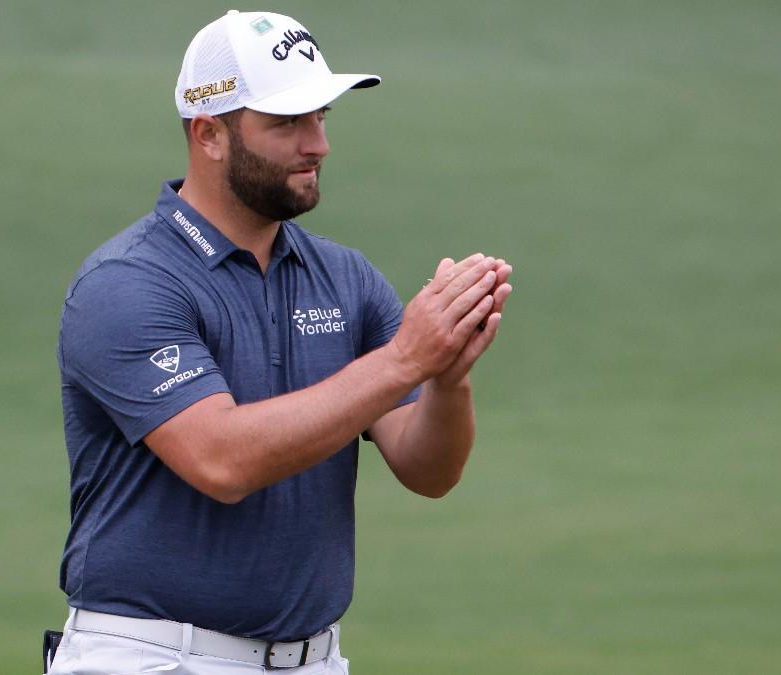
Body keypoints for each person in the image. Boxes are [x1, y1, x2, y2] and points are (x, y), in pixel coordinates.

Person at [49, 10, 513, 675]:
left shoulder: (346, 277)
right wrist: (405, 358)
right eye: (288, 122)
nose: (318, 144)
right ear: (209, 134)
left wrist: (447, 375)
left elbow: (429, 470)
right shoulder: (127, 283)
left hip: (315, 658)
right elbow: (221, 459)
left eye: (321, 116)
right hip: (152, 656)